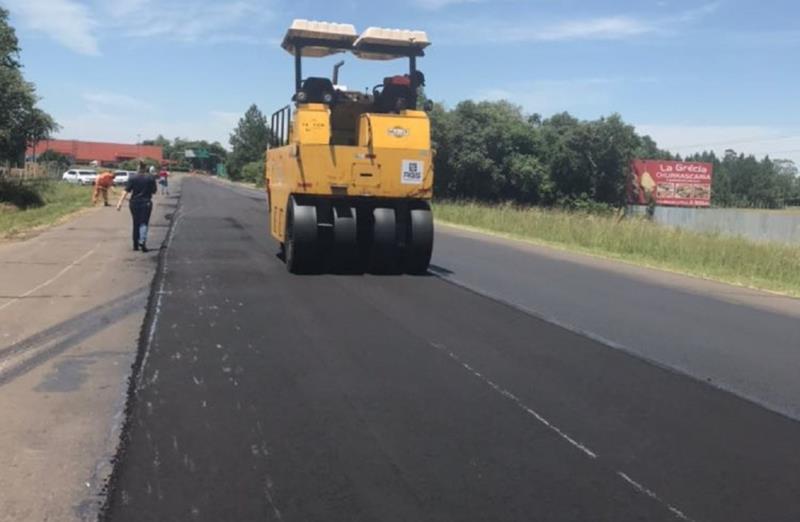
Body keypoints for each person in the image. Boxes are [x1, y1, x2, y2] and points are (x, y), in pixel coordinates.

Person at [116, 161, 157, 252]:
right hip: (146, 202)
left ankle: (135, 244)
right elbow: (154, 191)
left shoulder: (132, 178)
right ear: (145, 168)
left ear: (138, 168)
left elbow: (126, 191)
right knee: (144, 222)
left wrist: (120, 203)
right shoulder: (150, 178)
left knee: (136, 222)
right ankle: (142, 240)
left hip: (134, 203)